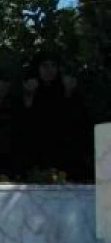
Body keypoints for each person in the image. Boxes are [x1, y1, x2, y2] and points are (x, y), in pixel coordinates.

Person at [19, 52, 91, 180]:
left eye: (53, 66)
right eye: (45, 66)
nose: (49, 70)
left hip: (64, 159)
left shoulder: (65, 89)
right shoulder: (31, 88)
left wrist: (69, 94)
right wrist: (28, 98)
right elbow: (24, 127)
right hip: (36, 158)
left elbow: (75, 125)